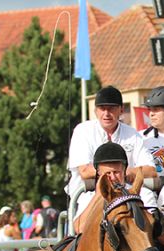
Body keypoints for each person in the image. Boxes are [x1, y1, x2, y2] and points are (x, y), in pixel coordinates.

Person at [67, 86, 156, 223]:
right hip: (90, 192)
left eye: (111, 108)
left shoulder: (133, 134)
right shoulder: (83, 131)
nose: (106, 113)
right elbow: (84, 171)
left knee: (149, 199)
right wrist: (117, 172)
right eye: (102, 108)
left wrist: (124, 173)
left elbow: (151, 171)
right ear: (95, 111)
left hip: (126, 191)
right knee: (82, 224)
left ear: (121, 109)